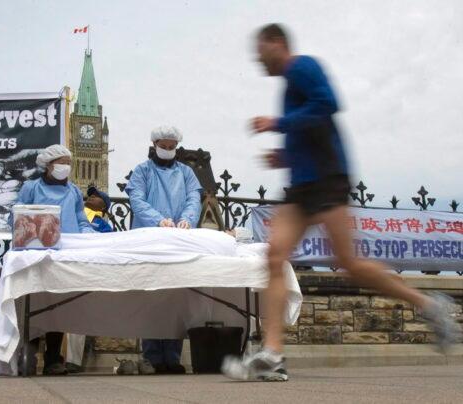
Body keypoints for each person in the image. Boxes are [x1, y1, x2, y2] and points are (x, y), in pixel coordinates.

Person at [222, 23, 462, 382]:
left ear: (277, 42)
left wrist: (278, 123)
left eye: (260, 52)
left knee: (348, 262)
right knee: (274, 256)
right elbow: (308, 130)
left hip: (328, 179)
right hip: (301, 186)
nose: (258, 61)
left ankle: (431, 304)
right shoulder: (288, 86)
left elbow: (328, 104)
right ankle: (272, 354)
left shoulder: (302, 67)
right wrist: (283, 158)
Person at [125, 126, 203, 374]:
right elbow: (137, 200)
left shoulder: (187, 173)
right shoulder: (142, 171)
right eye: (164, 146)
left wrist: (187, 219)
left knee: (174, 299)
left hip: (177, 240)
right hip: (149, 239)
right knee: (151, 297)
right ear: (155, 144)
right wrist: (158, 220)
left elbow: (194, 199)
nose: (168, 151)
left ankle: (172, 357)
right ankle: (152, 357)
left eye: (172, 147)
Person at [13, 144, 95, 376]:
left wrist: (87, 234)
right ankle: (28, 353)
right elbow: (19, 216)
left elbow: (81, 219)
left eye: (68, 163)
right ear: (47, 165)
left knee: (58, 305)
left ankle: (52, 358)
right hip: (36, 252)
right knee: (34, 301)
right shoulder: (31, 188)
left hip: (64, 254)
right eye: (61, 162)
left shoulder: (74, 192)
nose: (65, 167)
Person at [64, 186, 113, 374]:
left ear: (104, 207)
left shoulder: (103, 226)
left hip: (84, 272)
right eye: (90, 195)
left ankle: (72, 361)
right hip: (66, 266)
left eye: (97, 197)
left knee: (77, 316)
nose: (91, 196)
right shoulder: (72, 214)